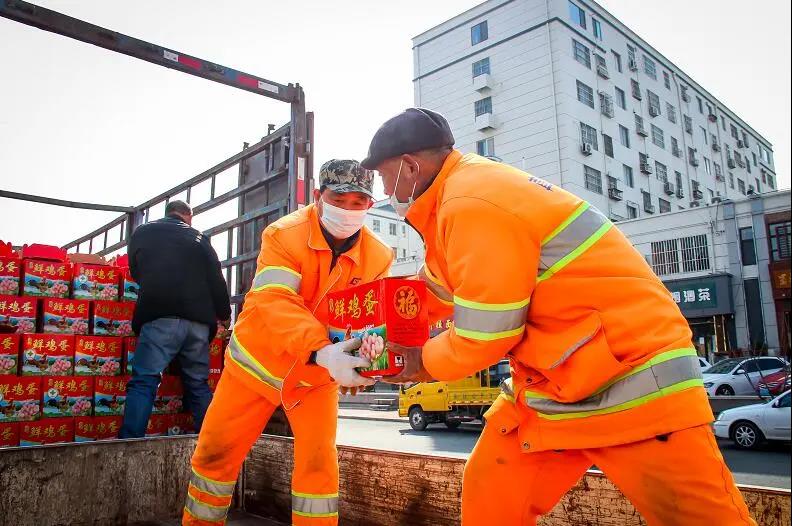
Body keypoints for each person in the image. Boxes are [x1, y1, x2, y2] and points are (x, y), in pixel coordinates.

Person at [363, 108, 756, 526]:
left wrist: (419, 362)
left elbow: (486, 333)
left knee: (701, 518)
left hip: (633, 380)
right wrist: (368, 333)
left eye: (384, 178)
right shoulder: (458, 200)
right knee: (492, 494)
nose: (385, 191)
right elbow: (435, 291)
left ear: (410, 167)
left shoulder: (471, 201)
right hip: (555, 384)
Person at [183, 160, 392, 526]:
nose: (348, 209)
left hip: (315, 380)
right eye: (339, 199)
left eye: (358, 202)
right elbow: (275, 300)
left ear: (370, 205)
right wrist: (323, 351)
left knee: (318, 471)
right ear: (318, 196)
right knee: (215, 456)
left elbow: (367, 320)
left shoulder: (379, 256)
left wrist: (364, 362)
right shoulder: (284, 235)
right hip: (255, 368)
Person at [120, 200, 231, 439]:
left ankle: (129, 443)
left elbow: (136, 272)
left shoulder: (142, 233)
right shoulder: (199, 238)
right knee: (198, 384)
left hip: (159, 319)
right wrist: (224, 314)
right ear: (188, 216)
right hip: (198, 325)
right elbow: (217, 280)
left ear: (167, 213)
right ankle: (212, 444)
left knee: (145, 380)